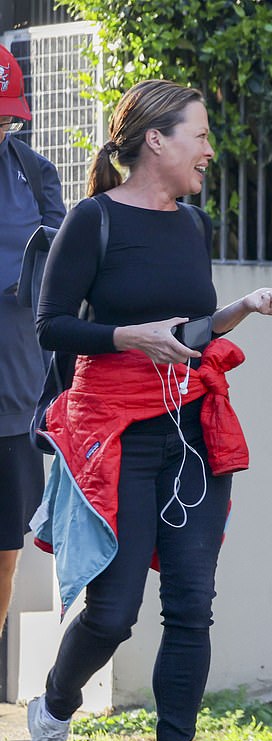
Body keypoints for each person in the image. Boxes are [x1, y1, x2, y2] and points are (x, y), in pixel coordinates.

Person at [21, 79, 272, 741]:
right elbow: (50, 326)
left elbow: (192, 330)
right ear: (156, 141)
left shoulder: (193, 224)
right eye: (200, 135)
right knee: (113, 612)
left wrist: (239, 309)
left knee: (191, 607)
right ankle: (52, 711)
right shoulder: (92, 219)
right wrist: (125, 336)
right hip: (114, 433)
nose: (210, 149)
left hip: (189, 432)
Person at [0, 44, 65, 636]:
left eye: (7, 118)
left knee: (2, 549)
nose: (2, 127)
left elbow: (61, 270)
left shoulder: (34, 172)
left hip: (13, 399)